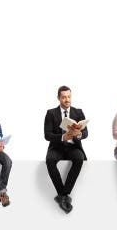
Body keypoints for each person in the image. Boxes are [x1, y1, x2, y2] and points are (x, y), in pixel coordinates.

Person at [44, 85, 88, 213]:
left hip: (73, 147)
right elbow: (47, 135)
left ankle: (64, 194)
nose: (67, 99)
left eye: (69, 96)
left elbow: (86, 133)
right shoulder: (51, 113)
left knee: (79, 158)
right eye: (63, 97)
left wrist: (78, 134)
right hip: (57, 147)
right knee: (50, 160)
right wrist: (63, 136)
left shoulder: (78, 112)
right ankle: (63, 195)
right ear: (58, 98)